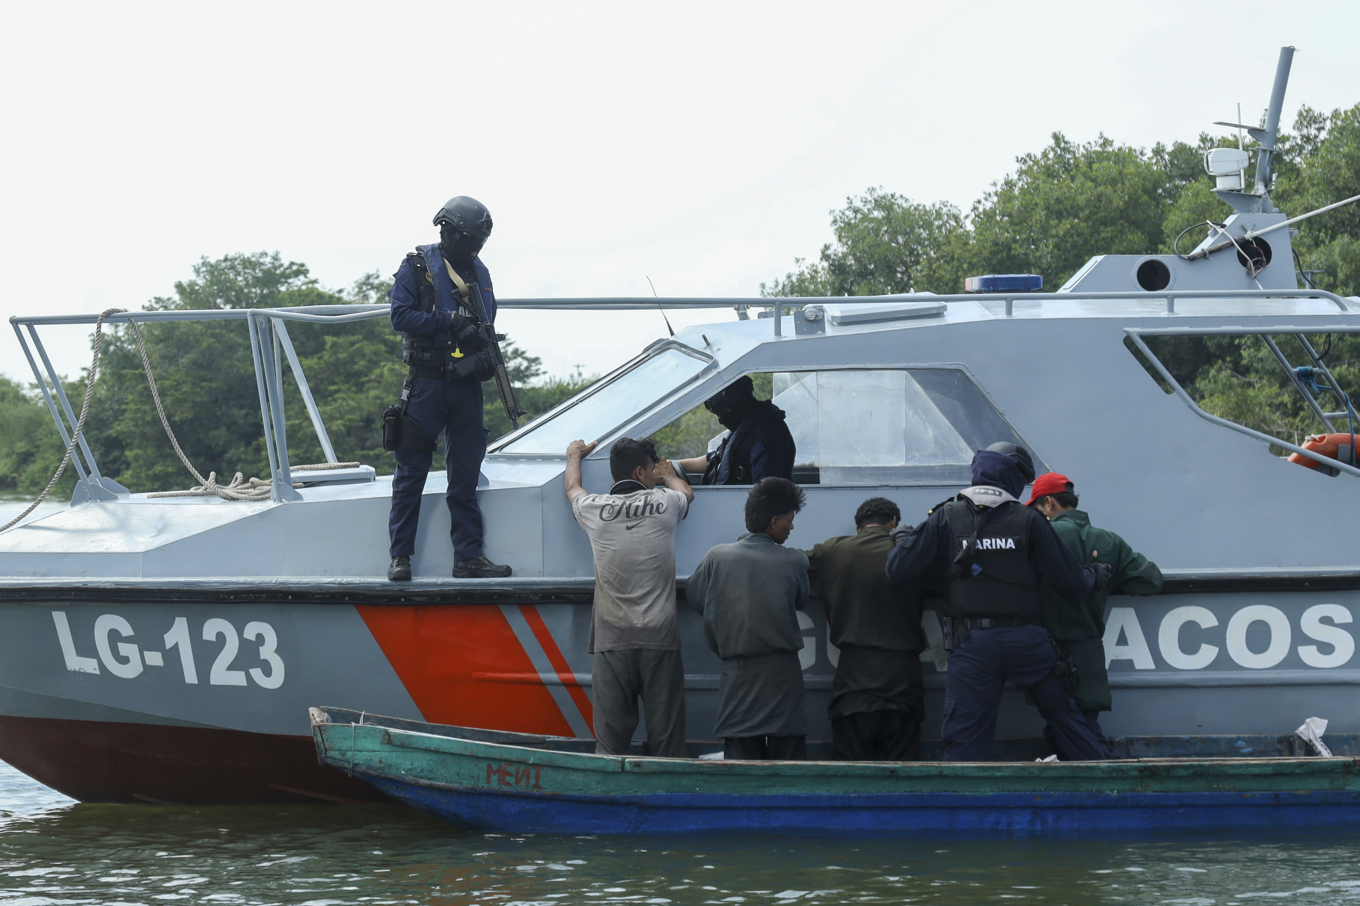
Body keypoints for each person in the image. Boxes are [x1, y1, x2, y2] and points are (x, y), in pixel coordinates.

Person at [884, 442, 1117, 762]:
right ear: (1013, 478)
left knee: (965, 743)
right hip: (1029, 644)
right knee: (1070, 721)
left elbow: (897, 571)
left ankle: (969, 806)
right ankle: (1108, 789)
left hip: (973, 645)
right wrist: (1095, 574)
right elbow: (1073, 583)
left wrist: (905, 540)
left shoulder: (946, 517)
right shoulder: (1029, 520)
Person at [386, 196, 511, 581]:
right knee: (411, 472)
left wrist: (479, 339)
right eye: (470, 238)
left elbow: (486, 320)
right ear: (448, 230)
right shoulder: (418, 267)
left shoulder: (481, 272)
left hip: (466, 384)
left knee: (466, 473)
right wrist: (450, 322)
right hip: (427, 382)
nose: (474, 246)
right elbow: (400, 316)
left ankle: (468, 556)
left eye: (479, 240)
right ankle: (400, 557)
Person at [565, 437, 694, 757]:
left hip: (612, 642)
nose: (654, 476)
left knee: (610, 744)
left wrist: (574, 455)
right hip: (659, 640)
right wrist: (669, 476)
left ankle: (608, 801)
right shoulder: (665, 504)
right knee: (667, 744)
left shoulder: (593, 509)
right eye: (651, 471)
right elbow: (687, 493)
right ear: (640, 471)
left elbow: (572, 488)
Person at [1028, 472, 1163, 747]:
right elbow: (1151, 581)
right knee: (1085, 727)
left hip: (1042, 650)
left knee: (1059, 728)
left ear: (1050, 503)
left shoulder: (1039, 535)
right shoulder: (1109, 541)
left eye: (1037, 508)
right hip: (1087, 653)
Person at [687, 477, 810, 760]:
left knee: (741, 764)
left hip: (738, 676)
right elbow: (802, 599)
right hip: (783, 677)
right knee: (789, 765)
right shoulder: (795, 560)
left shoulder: (716, 557)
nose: (792, 526)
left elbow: (696, 597)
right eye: (789, 520)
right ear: (774, 520)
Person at [808, 497, 926, 761]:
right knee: (902, 770)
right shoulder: (912, 552)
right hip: (903, 678)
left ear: (858, 527)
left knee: (850, 772)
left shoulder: (833, 551)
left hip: (854, 679)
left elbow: (796, 567)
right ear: (893, 523)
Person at [675, 376, 795, 484]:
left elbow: (766, 490)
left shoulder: (766, 433)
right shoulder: (746, 425)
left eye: (722, 412)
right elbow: (718, 458)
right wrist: (673, 465)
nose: (720, 418)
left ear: (737, 404)